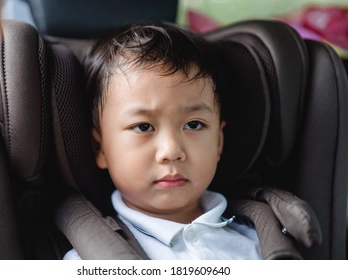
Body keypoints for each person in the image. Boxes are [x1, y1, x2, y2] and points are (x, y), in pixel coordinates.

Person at [64, 22, 261, 260]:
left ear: (219, 141)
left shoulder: (260, 240)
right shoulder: (87, 259)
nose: (171, 151)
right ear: (100, 148)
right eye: (143, 127)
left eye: (194, 124)